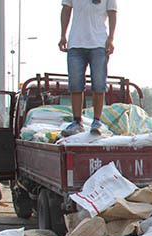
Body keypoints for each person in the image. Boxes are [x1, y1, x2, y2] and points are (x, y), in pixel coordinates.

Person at [59, 0, 117, 137]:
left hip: (98, 44)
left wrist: (111, 38)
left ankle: (97, 121)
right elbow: (66, 10)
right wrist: (63, 35)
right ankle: (77, 121)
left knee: (99, 83)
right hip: (76, 44)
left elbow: (112, 13)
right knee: (75, 84)